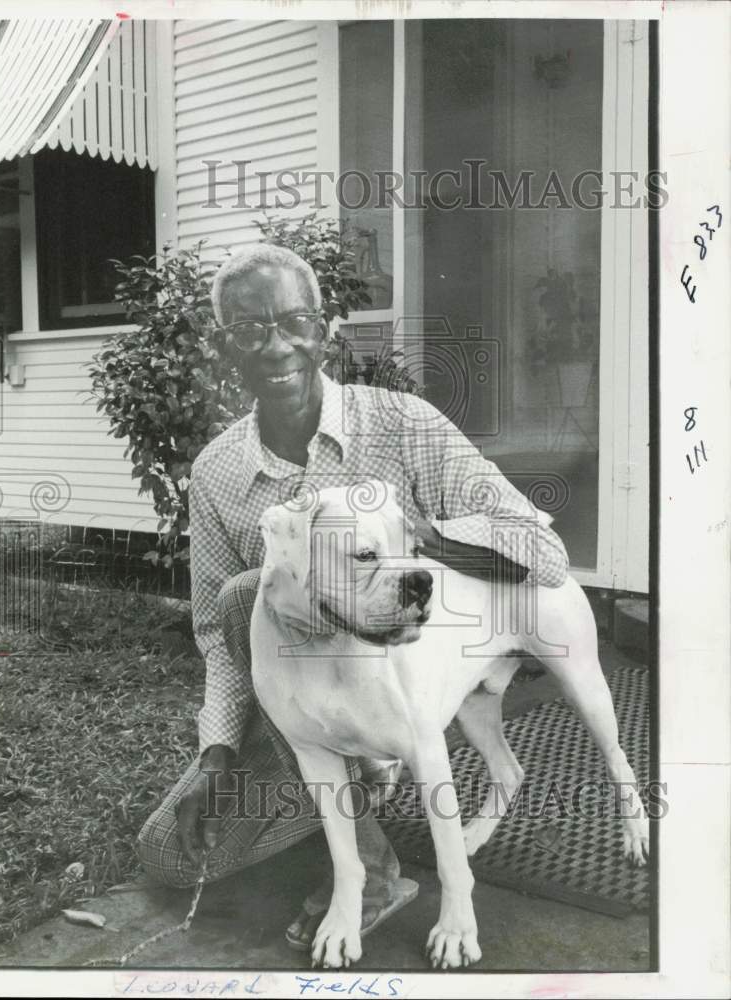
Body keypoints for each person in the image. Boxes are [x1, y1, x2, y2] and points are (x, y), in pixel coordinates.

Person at [137, 244, 569, 950]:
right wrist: (218, 756)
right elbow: (218, 638)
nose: (276, 345)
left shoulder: (404, 426)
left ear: (325, 329)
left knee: (255, 592)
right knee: (168, 856)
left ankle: (370, 868)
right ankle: (363, 776)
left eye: (295, 321)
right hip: (303, 714)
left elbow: (542, 552)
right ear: (225, 348)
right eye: (249, 329)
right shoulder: (218, 474)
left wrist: (414, 541)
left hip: (397, 694)